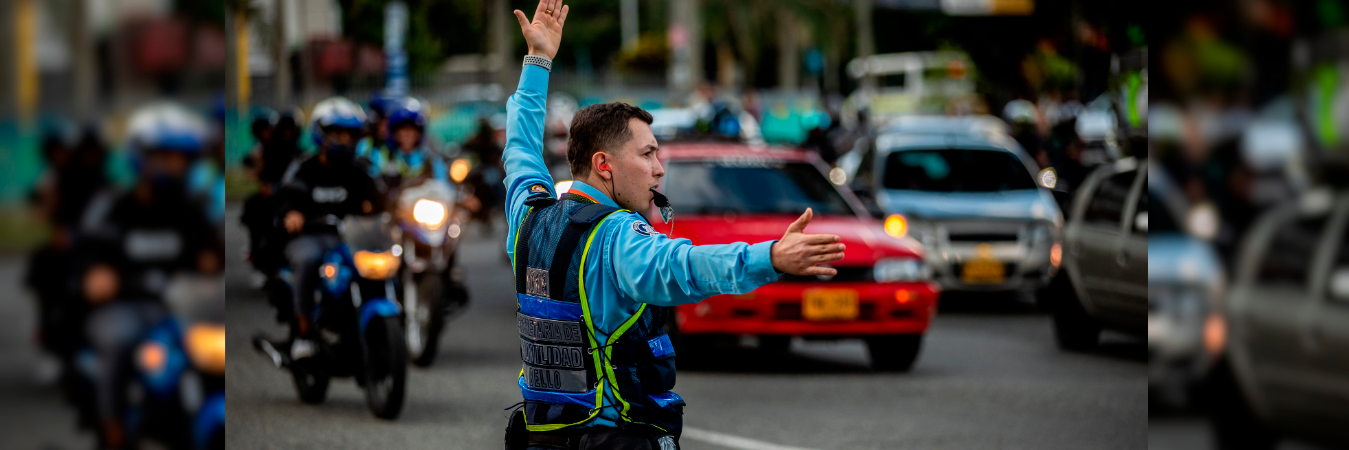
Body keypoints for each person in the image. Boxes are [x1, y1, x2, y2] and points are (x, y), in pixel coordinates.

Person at [501, 2, 845, 449]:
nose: (659, 170)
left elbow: (520, 147)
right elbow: (682, 267)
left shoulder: (529, 215)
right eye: (647, 154)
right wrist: (772, 256)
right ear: (603, 165)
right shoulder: (616, 236)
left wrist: (538, 61)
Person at [76, 102, 223, 449]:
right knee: (121, 341)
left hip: (180, 311)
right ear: (141, 157)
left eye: (182, 158)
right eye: (166, 156)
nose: (176, 166)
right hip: (126, 308)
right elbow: (91, 260)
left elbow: (211, 258)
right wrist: (97, 276)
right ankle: (112, 428)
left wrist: (211, 265)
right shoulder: (112, 207)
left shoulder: (192, 209)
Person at [277, 97, 385, 361]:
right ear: (320, 133)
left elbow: (382, 200)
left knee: (383, 261)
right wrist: (291, 213)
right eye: (337, 133)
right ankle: (303, 335)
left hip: (350, 239)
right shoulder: (304, 167)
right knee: (308, 259)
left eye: (349, 134)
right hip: (311, 238)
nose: (344, 140)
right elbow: (286, 196)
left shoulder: (361, 170)